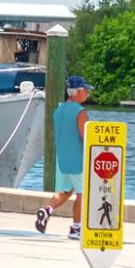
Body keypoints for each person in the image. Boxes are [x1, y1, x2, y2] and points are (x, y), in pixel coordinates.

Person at [36, 76, 91, 238]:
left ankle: (47, 211)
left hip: (63, 159)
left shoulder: (58, 110)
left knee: (66, 190)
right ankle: (76, 228)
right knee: (83, 193)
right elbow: (85, 136)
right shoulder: (80, 112)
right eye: (85, 90)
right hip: (77, 159)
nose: (87, 93)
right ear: (78, 92)